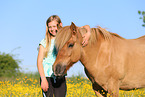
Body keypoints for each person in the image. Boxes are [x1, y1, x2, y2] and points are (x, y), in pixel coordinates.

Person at [37, 15, 91, 97]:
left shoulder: (64, 39)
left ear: (60, 25)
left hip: (60, 75)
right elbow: (39, 61)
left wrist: (88, 32)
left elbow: (85, 26)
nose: (52, 29)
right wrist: (43, 79)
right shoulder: (44, 42)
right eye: (50, 27)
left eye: (54, 26)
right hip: (47, 76)